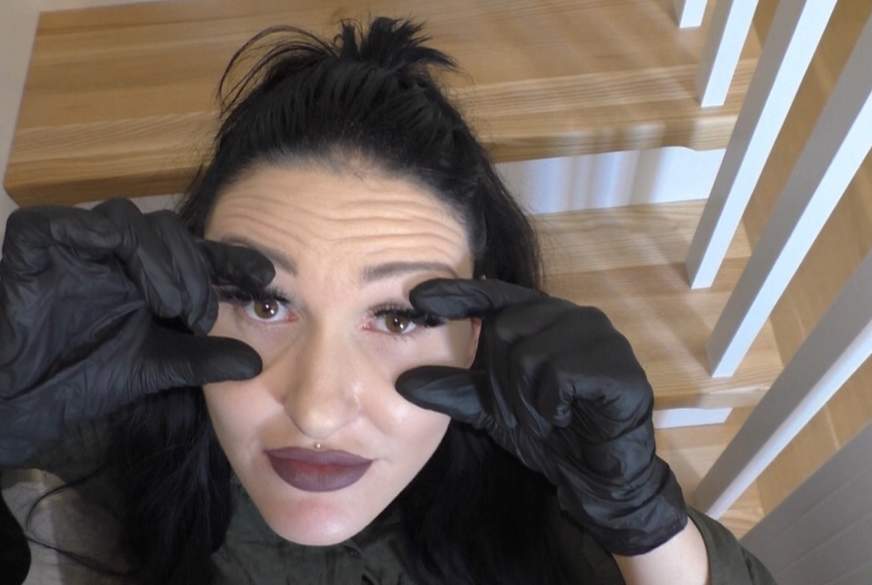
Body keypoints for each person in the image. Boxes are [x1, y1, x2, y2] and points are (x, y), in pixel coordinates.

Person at [0, 16, 776, 585]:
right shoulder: (86, 416)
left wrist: (646, 528)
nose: (317, 410)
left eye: (400, 316)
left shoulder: (549, 493)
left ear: (480, 334)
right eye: (266, 305)